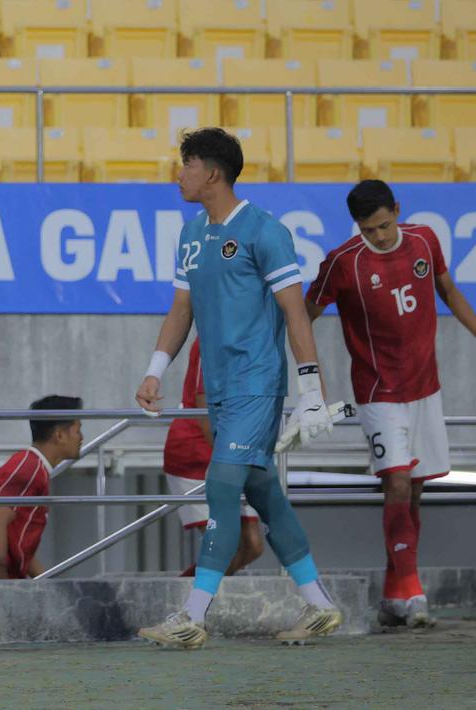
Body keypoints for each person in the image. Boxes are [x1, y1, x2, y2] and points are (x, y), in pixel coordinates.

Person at [135, 127, 342, 650]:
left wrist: (310, 390)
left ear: (213, 172)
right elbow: (181, 310)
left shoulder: (265, 231)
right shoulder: (190, 235)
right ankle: (319, 606)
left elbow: (296, 312)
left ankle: (192, 617)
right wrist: (155, 369)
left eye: (186, 164)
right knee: (263, 492)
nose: (178, 173)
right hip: (221, 390)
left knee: (223, 488)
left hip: (257, 385)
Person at [306, 179, 476, 628]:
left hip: (426, 388)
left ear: (397, 210)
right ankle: (414, 592)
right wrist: (305, 377)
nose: (379, 236)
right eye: (368, 229)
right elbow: (302, 313)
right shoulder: (343, 263)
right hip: (378, 392)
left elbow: (450, 292)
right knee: (397, 485)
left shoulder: (425, 240)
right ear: (356, 225)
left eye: (384, 225)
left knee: (414, 492)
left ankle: (393, 594)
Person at [163, 339, 264, 577]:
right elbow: (204, 402)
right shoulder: (213, 336)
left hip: (235, 447)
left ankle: (193, 603)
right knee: (224, 549)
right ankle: (185, 605)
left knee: (252, 546)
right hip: (195, 451)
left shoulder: (255, 338)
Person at [0, 396, 83, 580]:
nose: (81, 438)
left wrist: (48, 584)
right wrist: (2, 588)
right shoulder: (29, 468)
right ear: (59, 435)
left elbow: (20, 546)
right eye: (77, 430)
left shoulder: (34, 468)